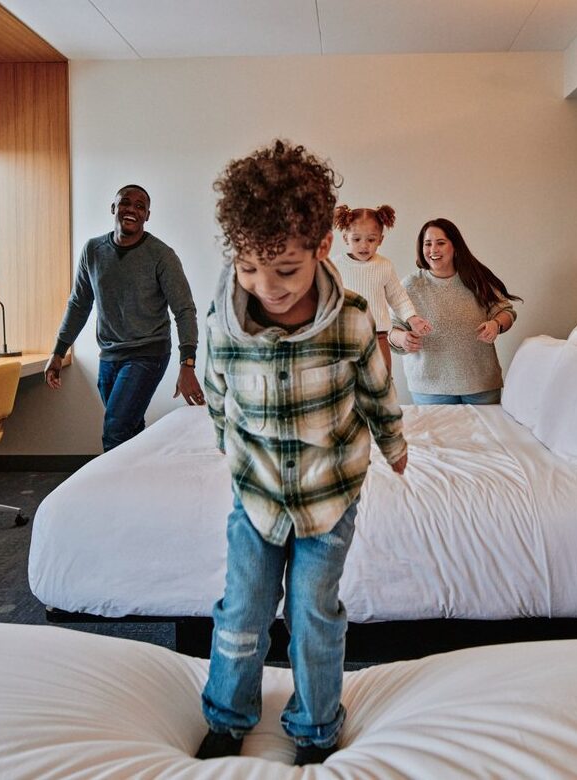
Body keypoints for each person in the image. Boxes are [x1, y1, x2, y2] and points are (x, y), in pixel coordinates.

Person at [197, 140, 408, 766]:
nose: (267, 288)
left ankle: (315, 728)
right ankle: (229, 715)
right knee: (243, 608)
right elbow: (217, 394)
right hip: (257, 493)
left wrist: (394, 444)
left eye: (286, 270)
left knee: (315, 612)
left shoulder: (352, 321)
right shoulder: (223, 322)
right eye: (248, 269)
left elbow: (377, 392)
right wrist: (226, 446)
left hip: (328, 494)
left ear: (322, 248)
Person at [43, 184, 203, 452]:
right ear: (113, 208)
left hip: (148, 353)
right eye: (125, 203)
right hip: (109, 355)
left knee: (115, 430)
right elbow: (79, 304)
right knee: (130, 429)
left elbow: (184, 310)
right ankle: (144, 476)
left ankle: (111, 482)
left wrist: (187, 364)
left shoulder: (161, 255)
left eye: (140, 206)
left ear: (147, 215)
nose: (132, 209)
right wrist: (58, 351)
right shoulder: (93, 251)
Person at [388, 217, 521, 404]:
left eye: (441, 243)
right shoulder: (410, 285)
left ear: (455, 246)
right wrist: (402, 338)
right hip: (430, 388)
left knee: (488, 426)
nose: (433, 249)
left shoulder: (476, 279)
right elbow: (391, 328)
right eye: (428, 244)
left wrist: (496, 324)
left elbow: (507, 312)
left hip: (481, 384)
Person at [330, 204, 431, 369]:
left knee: (382, 380)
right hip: (345, 338)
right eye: (356, 239)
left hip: (378, 337)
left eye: (371, 240)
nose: (364, 245)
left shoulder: (384, 266)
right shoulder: (335, 265)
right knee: (345, 381)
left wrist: (412, 319)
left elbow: (397, 297)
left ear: (380, 240)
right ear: (345, 238)